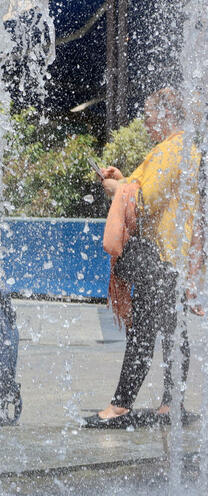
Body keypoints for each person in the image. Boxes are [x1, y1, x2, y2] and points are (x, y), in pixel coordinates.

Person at [83, 88, 204, 429]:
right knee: (170, 331)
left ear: (166, 116)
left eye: (150, 118)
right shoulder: (184, 148)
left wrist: (113, 190)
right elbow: (143, 189)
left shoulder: (172, 150)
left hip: (159, 256)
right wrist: (123, 181)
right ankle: (171, 404)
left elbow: (143, 200)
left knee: (145, 331)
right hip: (173, 259)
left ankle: (121, 406)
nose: (147, 125)